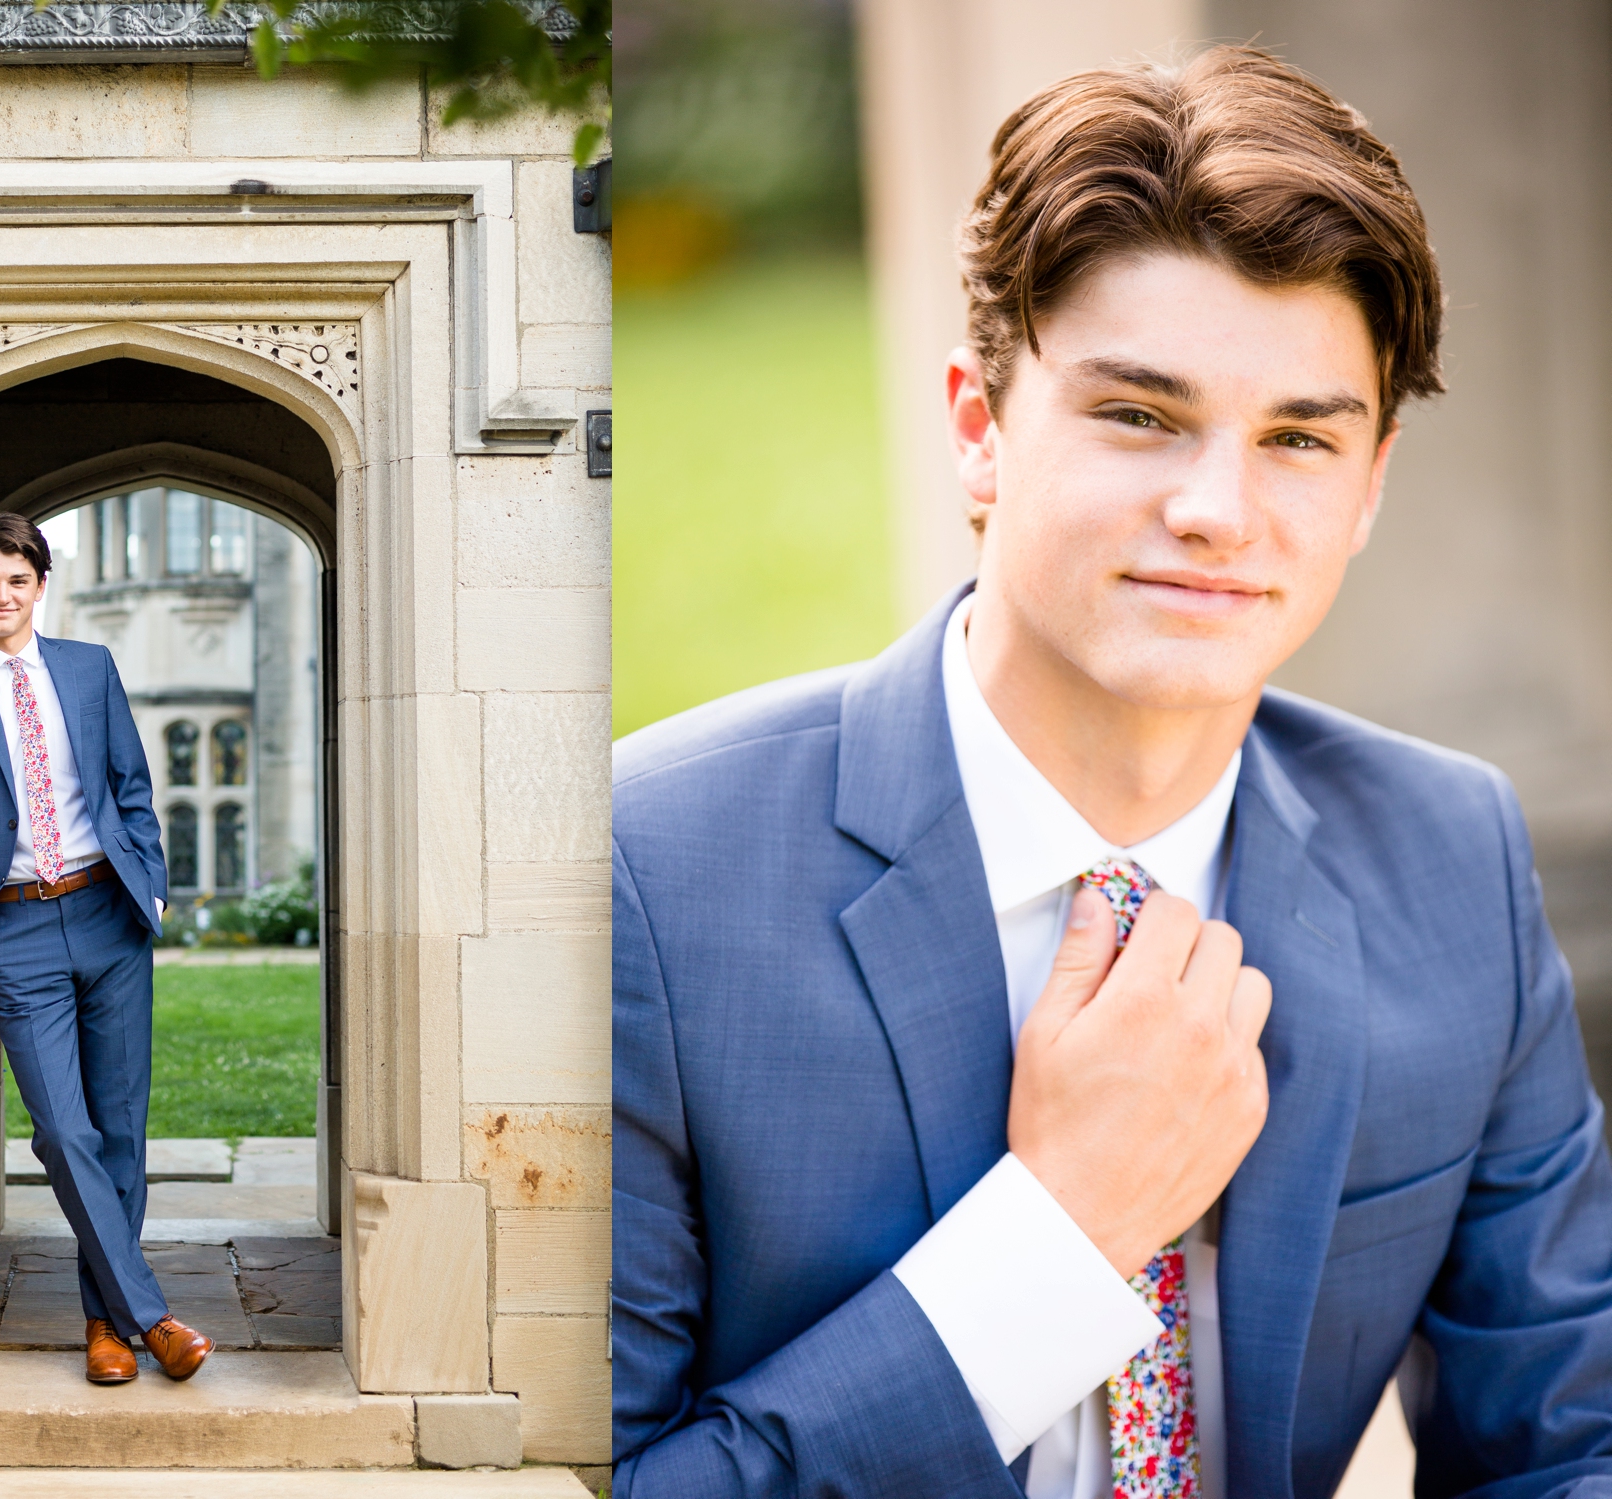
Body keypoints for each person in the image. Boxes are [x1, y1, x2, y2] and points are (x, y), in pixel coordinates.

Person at [613, 45, 1612, 1498]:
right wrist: (1059, 1239)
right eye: (1138, 414)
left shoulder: (1450, 852)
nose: (1216, 508)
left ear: (1372, 483)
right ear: (979, 428)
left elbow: (1570, 1445)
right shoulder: (650, 871)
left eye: (1298, 440)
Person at [0, 512, 214, 1386]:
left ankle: (104, 1328)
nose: (2, 595)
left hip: (109, 917)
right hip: (15, 930)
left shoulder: (89, 668)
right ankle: (152, 1318)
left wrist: (148, 885)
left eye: (18, 579)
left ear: (42, 586)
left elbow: (130, 783)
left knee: (120, 1130)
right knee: (63, 1130)